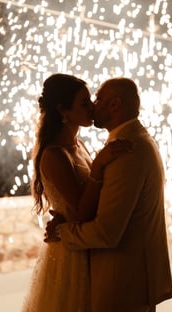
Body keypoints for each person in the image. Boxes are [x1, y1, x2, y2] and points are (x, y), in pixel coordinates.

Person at [46, 77, 172, 312]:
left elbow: (106, 232)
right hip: (126, 280)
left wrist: (61, 230)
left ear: (114, 105)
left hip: (122, 284)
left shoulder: (125, 151)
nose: (93, 105)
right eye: (87, 102)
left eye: (97, 99)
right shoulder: (133, 142)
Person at [22, 73, 132, 312]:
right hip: (71, 256)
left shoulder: (78, 145)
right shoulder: (54, 155)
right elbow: (82, 211)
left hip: (85, 244)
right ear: (64, 111)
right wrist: (101, 164)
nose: (92, 106)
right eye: (84, 102)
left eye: (90, 100)